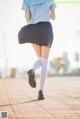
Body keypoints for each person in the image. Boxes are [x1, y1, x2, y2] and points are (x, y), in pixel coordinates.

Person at [18, 0, 56, 100]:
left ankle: (32, 71)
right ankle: (41, 91)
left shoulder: (27, 1)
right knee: (44, 61)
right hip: (45, 28)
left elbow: (27, 18)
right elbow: (53, 17)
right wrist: (46, 12)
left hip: (33, 29)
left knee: (40, 59)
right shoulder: (50, 0)